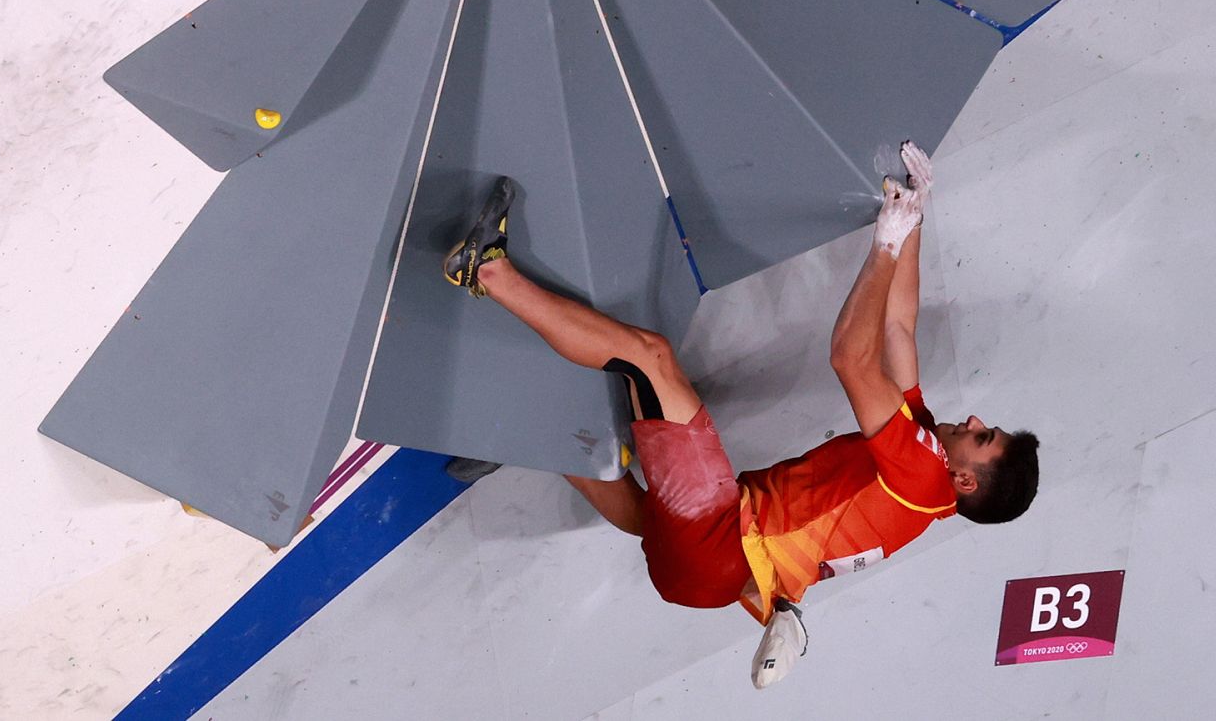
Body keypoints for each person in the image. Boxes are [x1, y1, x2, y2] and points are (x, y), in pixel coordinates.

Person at [441, 142, 1039, 686]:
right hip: (710, 572)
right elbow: (899, 328)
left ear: (965, 480)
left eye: (984, 437)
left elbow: (851, 359)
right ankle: (530, 439)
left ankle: (484, 267)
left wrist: (885, 244)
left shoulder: (923, 476)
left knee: (650, 361)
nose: (975, 420)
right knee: (654, 512)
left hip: (721, 543)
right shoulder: (925, 458)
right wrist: (914, 220)